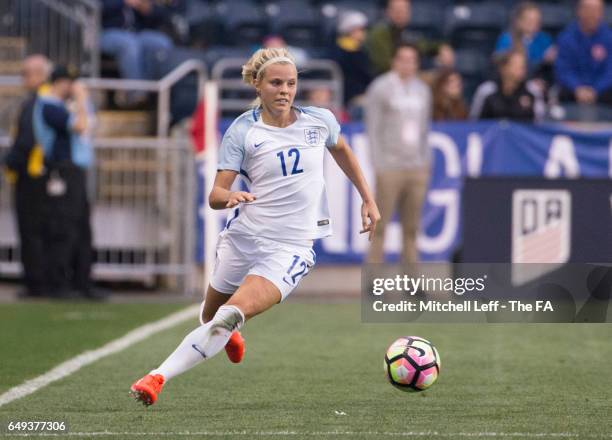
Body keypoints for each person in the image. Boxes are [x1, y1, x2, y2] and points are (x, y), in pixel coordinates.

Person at [129, 47, 380, 406]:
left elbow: (342, 149)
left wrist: (367, 198)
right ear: (257, 84)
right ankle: (232, 332)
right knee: (209, 316)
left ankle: (156, 377)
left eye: (291, 83)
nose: (285, 91)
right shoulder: (244, 130)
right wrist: (229, 197)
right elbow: (216, 193)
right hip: (244, 237)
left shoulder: (318, 121)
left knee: (227, 316)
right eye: (276, 83)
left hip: (289, 248)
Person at [33, 67, 98, 299]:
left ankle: (83, 282)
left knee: (82, 229)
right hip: (62, 171)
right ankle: (59, 284)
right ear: (61, 83)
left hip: (75, 172)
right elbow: (80, 125)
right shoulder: (49, 106)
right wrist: (81, 99)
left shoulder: (59, 106)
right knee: (64, 228)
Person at [365, 43, 431, 265]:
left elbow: (424, 129)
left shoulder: (422, 90)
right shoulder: (381, 87)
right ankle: (373, 278)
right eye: (403, 59)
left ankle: (412, 280)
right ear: (394, 61)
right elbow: (373, 127)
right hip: (390, 167)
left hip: (416, 167)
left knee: (412, 227)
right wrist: (378, 162)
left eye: (412, 60)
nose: (407, 64)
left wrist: (425, 162)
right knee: (380, 224)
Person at [2, 55, 51, 298]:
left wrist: (8, 161)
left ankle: (36, 283)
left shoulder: (39, 100)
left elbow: (27, 140)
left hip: (32, 175)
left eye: (27, 73)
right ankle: (37, 280)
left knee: (31, 230)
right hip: (33, 174)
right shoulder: (36, 100)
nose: (23, 78)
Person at [100, 0, 174, 105]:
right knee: (129, 44)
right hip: (106, 32)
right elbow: (97, 8)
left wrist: (147, 9)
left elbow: (159, 17)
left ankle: (154, 95)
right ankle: (136, 95)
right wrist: (123, 2)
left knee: (162, 43)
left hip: (135, 33)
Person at [366, 0, 454, 76]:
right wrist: (412, 70)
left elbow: (425, 46)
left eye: (404, 10)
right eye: (397, 10)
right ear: (388, 12)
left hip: (410, 78)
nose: (401, 14)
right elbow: (383, 65)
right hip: (386, 81)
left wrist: (442, 48)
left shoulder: (408, 33)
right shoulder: (379, 33)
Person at [555, 0, 612, 105]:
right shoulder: (566, 38)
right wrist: (577, 88)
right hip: (573, 91)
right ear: (579, 11)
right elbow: (563, 70)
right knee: (562, 92)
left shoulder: (609, 38)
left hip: (603, 91)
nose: (593, 14)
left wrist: (596, 90)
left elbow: (610, 71)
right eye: (589, 9)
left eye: (597, 10)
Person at [471, 50, 545, 122]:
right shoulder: (486, 90)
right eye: (516, 66)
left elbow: (539, 123)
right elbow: (474, 121)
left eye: (523, 66)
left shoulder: (532, 90)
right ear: (503, 68)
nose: (522, 69)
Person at [494, 2, 556, 76]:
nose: (535, 24)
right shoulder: (506, 39)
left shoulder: (545, 39)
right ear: (519, 21)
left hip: (540, 78)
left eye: (537, 20)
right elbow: (501, 65)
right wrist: (541, 62)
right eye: (530, 20)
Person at [330, 10, 374, 107]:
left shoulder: (355, 49)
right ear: (351, 31)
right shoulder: (350, 51)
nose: (363, 33)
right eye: (360, 30)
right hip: (352, 95)